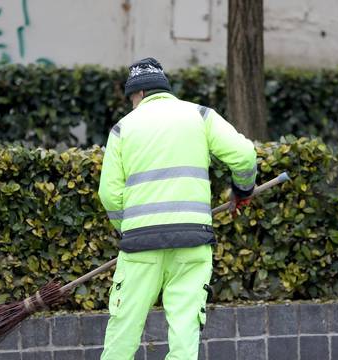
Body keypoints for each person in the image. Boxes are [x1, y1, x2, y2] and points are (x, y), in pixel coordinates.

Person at [98, 57, 257, 359]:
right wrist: (242, 189)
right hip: (192, 242)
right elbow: (245, 155)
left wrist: (128, 227)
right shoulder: (200, 115)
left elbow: (109, 194)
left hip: (140, 246)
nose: (132, 104)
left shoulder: (123, 129)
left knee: (124, 329)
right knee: (185, 333)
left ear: (140, 93)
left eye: (132, 98)